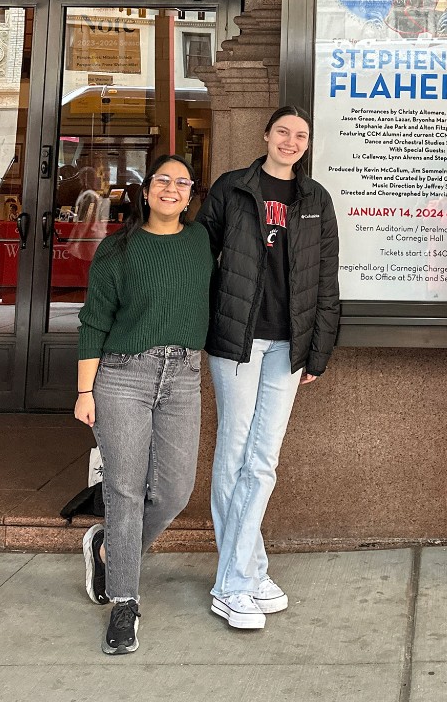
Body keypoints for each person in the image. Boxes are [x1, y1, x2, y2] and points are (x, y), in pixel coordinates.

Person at [198, 105, 340, 631]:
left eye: (300, 135)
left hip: (287, 346)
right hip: (236, 339)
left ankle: (247, 569)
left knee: (263, 460)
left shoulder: (315, 199)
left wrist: (317, 351)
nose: (291, 141)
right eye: (283, 131)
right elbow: (199, 257)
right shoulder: (233, 188)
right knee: (233, 454)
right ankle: (234, 583)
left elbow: (327, 281)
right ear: (266, 135)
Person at [74, 154, 212, 656]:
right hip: (123, 377)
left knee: (175, 490)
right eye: (163, 180)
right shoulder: (118, 249)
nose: (172, 189)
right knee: (126, 490)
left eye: (182, 183)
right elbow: (93, 321)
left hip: (183, 376)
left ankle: (109, 547)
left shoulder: (200, 242)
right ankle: (125, 603)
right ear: (145, 188)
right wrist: (85, 390)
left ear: (191, 193)